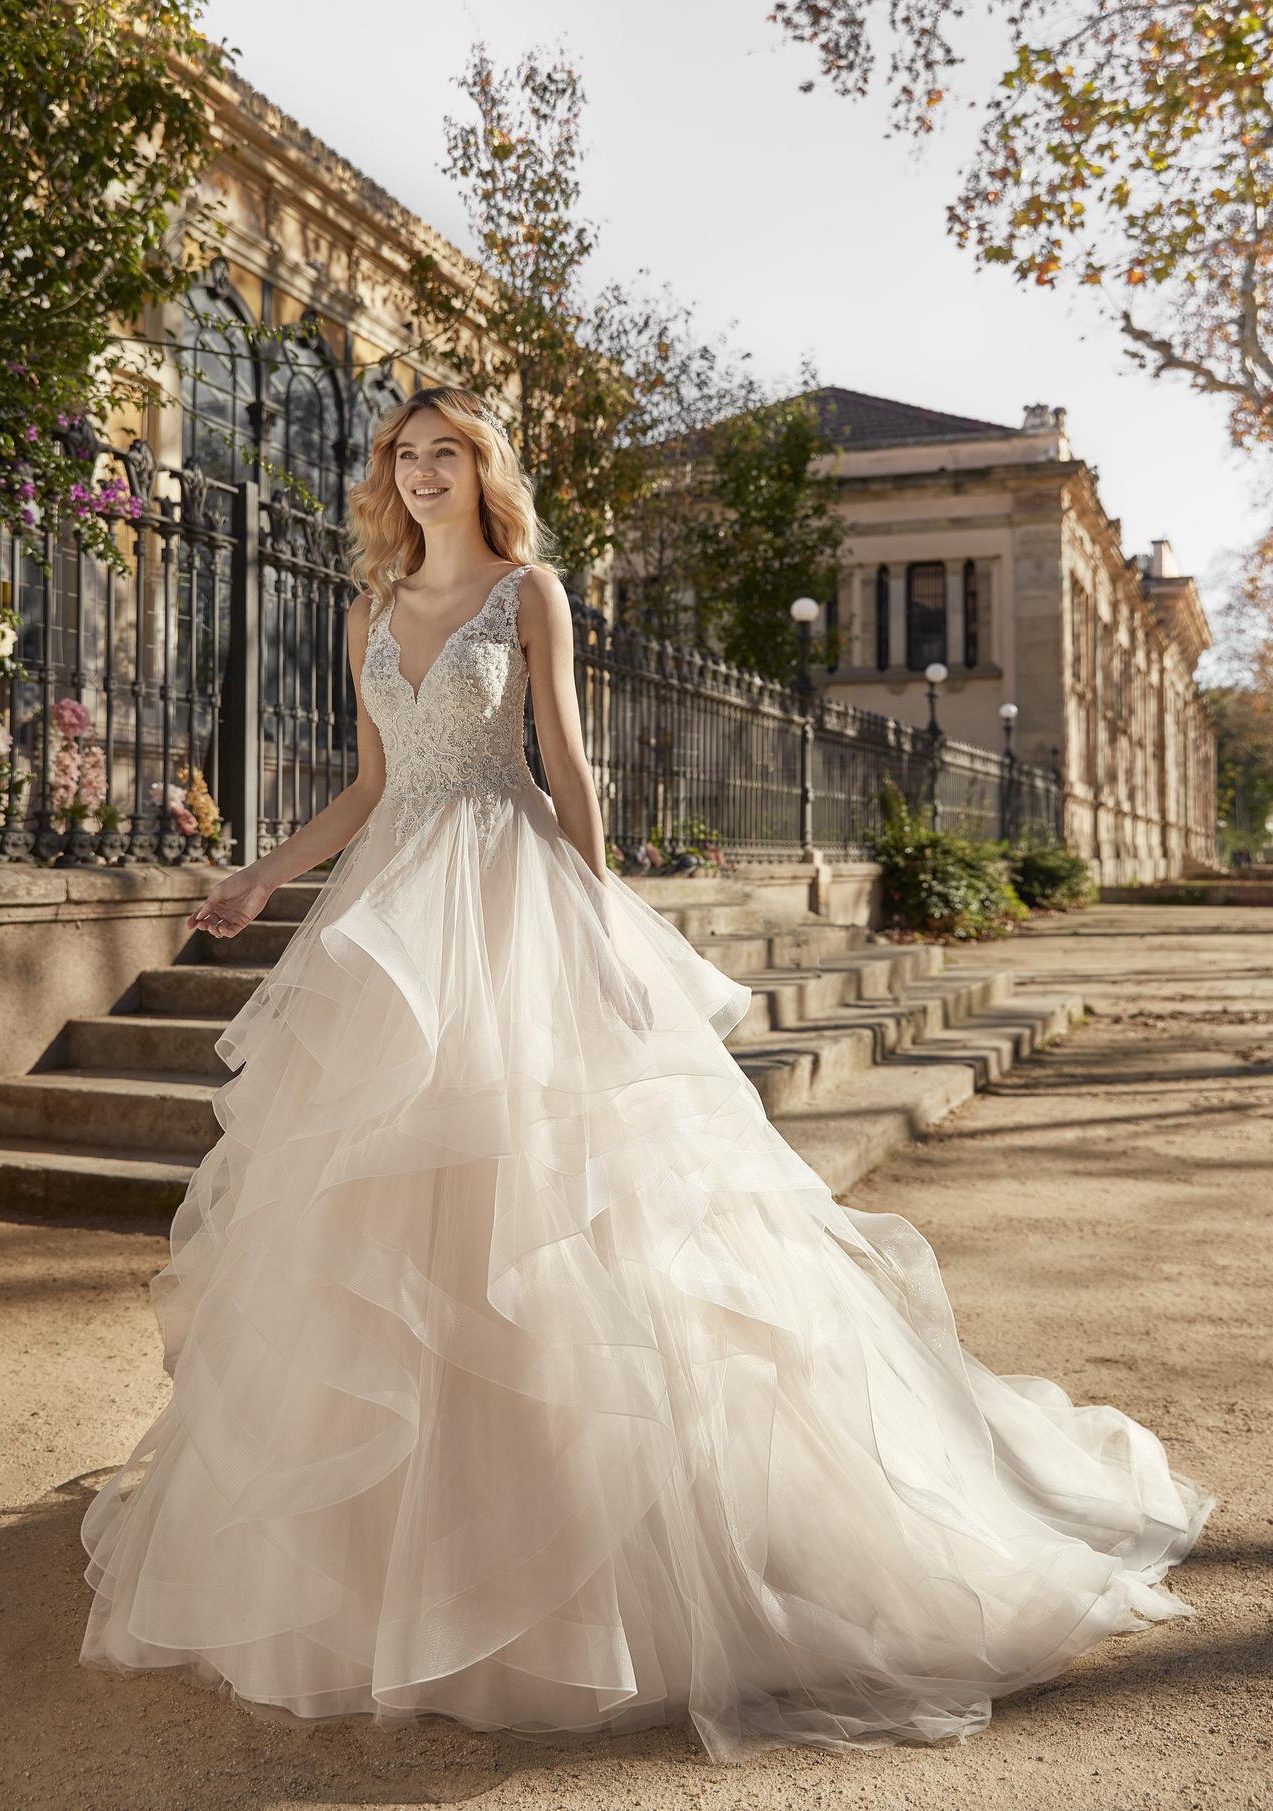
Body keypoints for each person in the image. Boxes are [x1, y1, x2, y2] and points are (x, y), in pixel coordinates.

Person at [78, 385, 1215, 1766]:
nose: (425, 473)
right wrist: (262, 873)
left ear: (482, 472)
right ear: (390, 475)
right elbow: (372, 786)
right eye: (407, 456)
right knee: (385, 1219)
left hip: (513, 904)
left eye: (448, 455)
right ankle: (404, 1548)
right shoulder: (368, 610)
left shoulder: (529, 591)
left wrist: (603, 925)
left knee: (549, 1212)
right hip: (391, 920)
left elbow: (565, 763)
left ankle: (578, 1545)